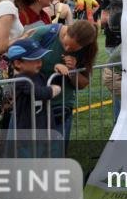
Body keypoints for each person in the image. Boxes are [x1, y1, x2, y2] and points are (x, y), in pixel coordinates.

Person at [28, 20, 97, 148]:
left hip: (61, 107)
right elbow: (20, 64)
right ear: (66, 32)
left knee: (57, 151)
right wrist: (53, 65)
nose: (67, 49)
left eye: (73, 49)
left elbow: (82, 84)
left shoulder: (87, 50)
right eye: (66, 44)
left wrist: (72, 70)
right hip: (34, 104)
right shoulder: (45, 33)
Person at [4, 39, 62, 135]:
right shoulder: (21, 80)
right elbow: (39, 93)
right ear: (18, 63)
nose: (40, 62)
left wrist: (58, 69)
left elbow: (51, 82)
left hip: (44, 127)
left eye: (40, 58)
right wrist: (54, 89)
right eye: (34, 59)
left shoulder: (38, 75)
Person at [101, 0, 123, 121]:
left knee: (119, 91)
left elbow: (103, 20)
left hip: (112, 41)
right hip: (126, 43)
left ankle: (118, 124)